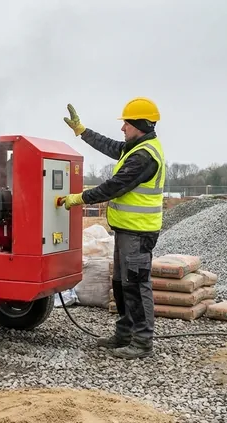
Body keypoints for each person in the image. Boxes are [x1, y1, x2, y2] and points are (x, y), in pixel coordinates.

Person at [58, 97, 165, 360]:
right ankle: (124, 333)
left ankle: (142, 342)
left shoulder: (144, 156)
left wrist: (77, 199)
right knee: (120, 283)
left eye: (126, 123)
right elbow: (110, 146)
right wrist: (82, 132)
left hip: (138, 233)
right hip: (127, 230)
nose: (122, 128)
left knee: (136, 285)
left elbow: (113, 187)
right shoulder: (135, 147)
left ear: (138, 124)